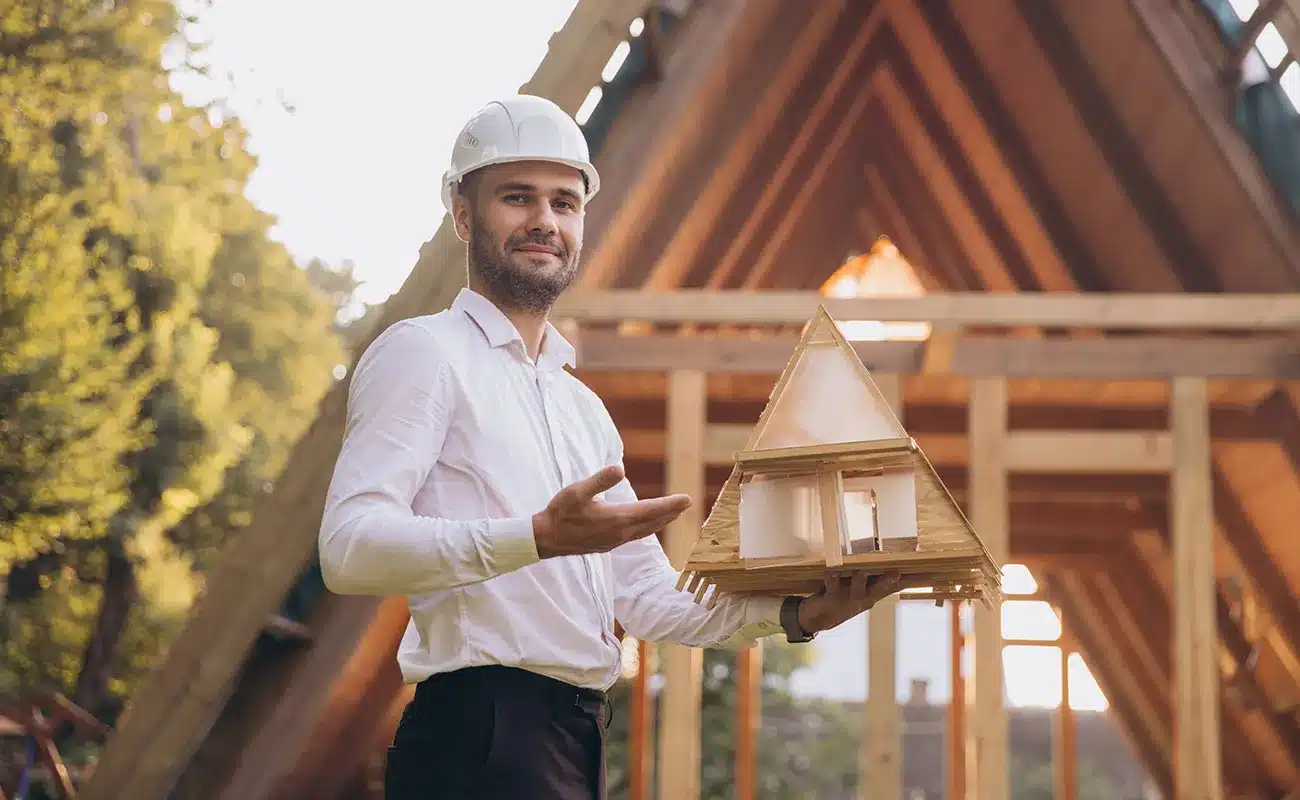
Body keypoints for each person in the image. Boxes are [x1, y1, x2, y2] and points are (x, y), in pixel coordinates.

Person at [318, 94, 901, 800]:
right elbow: (348, 548)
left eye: (565, 204)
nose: (544, 221)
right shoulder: (424, 354)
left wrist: (796, 615)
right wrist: (535, 537)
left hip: (576, 735)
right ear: (463, 213)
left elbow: (650, 598)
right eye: (517, 198)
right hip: (481, 736)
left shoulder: (581, 408)